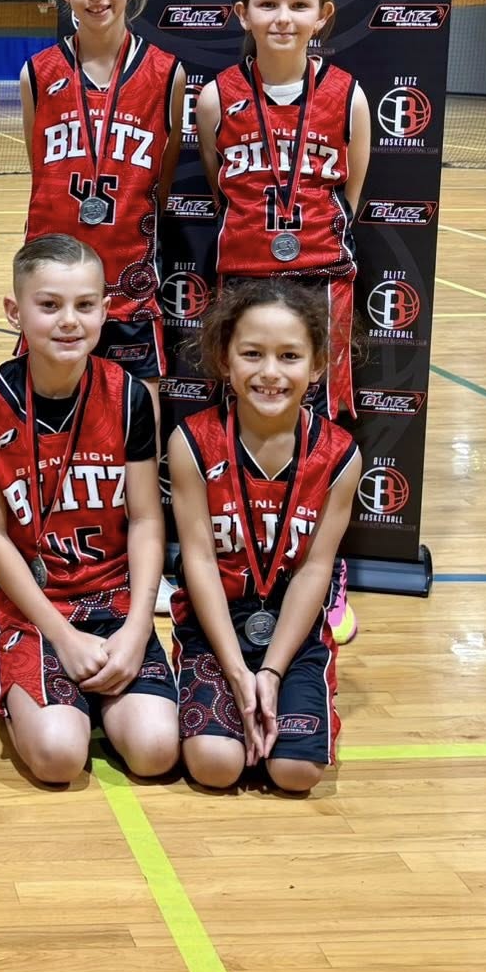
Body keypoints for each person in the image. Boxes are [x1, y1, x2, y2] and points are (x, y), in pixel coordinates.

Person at [0, 235, 179, 786]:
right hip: (34, 609)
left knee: (155, 751)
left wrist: (137, 628)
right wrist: (61, 636)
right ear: (15, 312)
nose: (68, 321)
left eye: (84, 305)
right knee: (58, 757)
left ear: (106, 310)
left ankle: (95, 693)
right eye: (49, 305)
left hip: (113, 600)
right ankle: (35, 684)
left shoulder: (130, 397)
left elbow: (146, 519)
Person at [165, 279, 361, 794]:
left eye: (289, 356)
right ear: (224, 361)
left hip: (293, 631)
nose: (270, 372)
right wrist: (236, 672)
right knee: (215, 765)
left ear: (317, 366)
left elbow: (315, 569)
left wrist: (271, 673)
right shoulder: (192, 443)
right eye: (252, 354)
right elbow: (199, 562)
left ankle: (287, 697)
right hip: (216, 627)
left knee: (296, 773)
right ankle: (231, 713)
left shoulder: (340, 456)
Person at [194, 0, 371, 418]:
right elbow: (219, 189)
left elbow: (349, 196)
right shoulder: (215, 98)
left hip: (322, 276)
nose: (283, 19)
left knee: (319, 412)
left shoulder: (349, 96)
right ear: (243, 14)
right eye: (268, 4)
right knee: (246, 404)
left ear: (322, 15)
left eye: (299, 5)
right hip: (243, 274)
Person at [19, 0, 184, 386]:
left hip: (130, 281)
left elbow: (161, 182)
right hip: (54, 283)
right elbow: (41, 174)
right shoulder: (38, 73)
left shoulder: (166, 74)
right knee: (54, 409)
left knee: (140, 415)